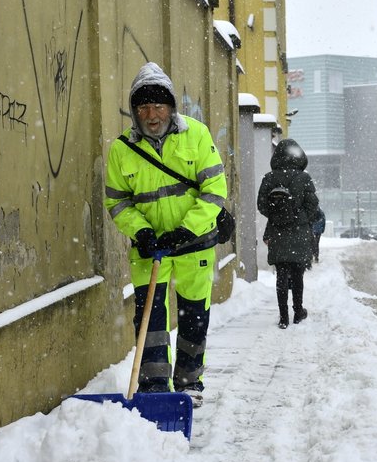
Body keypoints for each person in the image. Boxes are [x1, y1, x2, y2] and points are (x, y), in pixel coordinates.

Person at [104, 62, 227, 407]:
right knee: (151, 319)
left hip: (195, 245)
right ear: (134, 110)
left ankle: (189, 382)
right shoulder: (122, 149)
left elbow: (215, 190)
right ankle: (154, 386)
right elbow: (117, 202)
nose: (152, 114)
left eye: (159, 105)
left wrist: (186, 229)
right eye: (144, 106)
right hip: (149, 250)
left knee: (194, 315)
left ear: (171, 107)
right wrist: (141, 231)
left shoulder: (197, 135)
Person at [257, 139, 319, 329]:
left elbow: (262, 205)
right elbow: (313, 206)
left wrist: (277, 216)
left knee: (281, 275)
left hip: (277, 233)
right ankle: (298, 312)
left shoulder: (269, 178)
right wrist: (299, 218)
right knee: (297, 274)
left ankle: (283, 316)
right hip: (299, 233)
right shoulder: (304, 178)